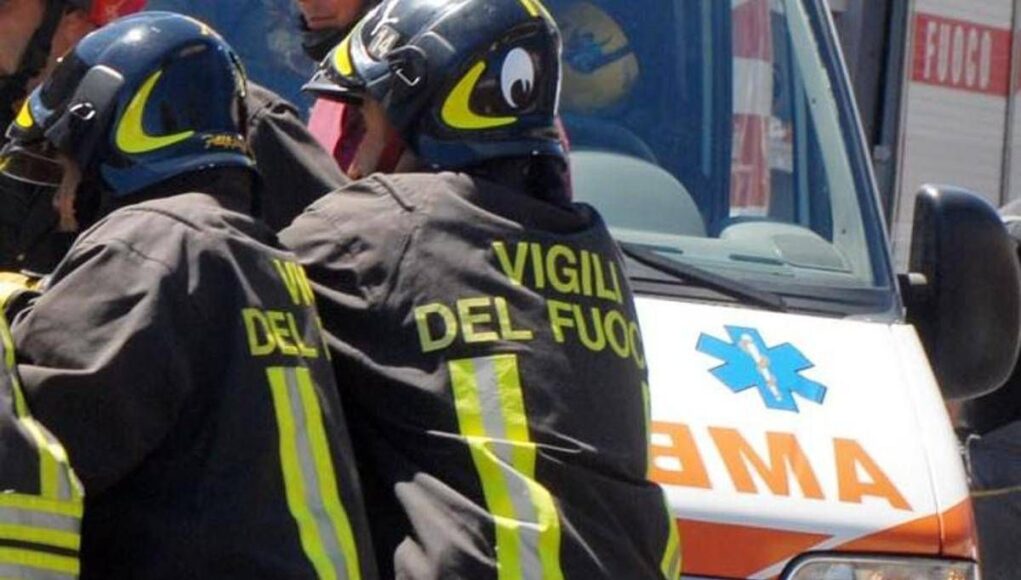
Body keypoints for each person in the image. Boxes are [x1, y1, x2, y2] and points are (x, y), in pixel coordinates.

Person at [281, 0, 681, 577]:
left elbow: (231, 278)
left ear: (416, 113)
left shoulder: (381, 226)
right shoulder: (593, 249)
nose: (354, 164)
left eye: (365, 121)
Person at [1, 12, 377, 578]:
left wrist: (10, 311)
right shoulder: (253, 254)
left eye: (69, 169)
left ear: (109, 129)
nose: (60, 204)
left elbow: (44, 434)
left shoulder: (151, 244)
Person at [0, 0, 345, 276]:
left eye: (4, 8)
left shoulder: (228, 118)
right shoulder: (37, 120)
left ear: (75, 21)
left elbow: (342, 259)